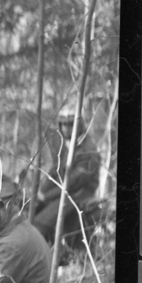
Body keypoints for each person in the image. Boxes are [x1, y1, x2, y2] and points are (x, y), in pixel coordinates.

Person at [32, 105, 102, 250]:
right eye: (63, 124)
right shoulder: (66, 146)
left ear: (80, 124)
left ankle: (52, 253)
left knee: (41, 222)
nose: (66, 128)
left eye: (70, 124)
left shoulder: (89, 150)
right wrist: (41, 192)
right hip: (64, 191)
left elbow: (74, 182)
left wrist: (46, 196)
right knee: (31, 211)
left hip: (80, 194)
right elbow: (55, 171)